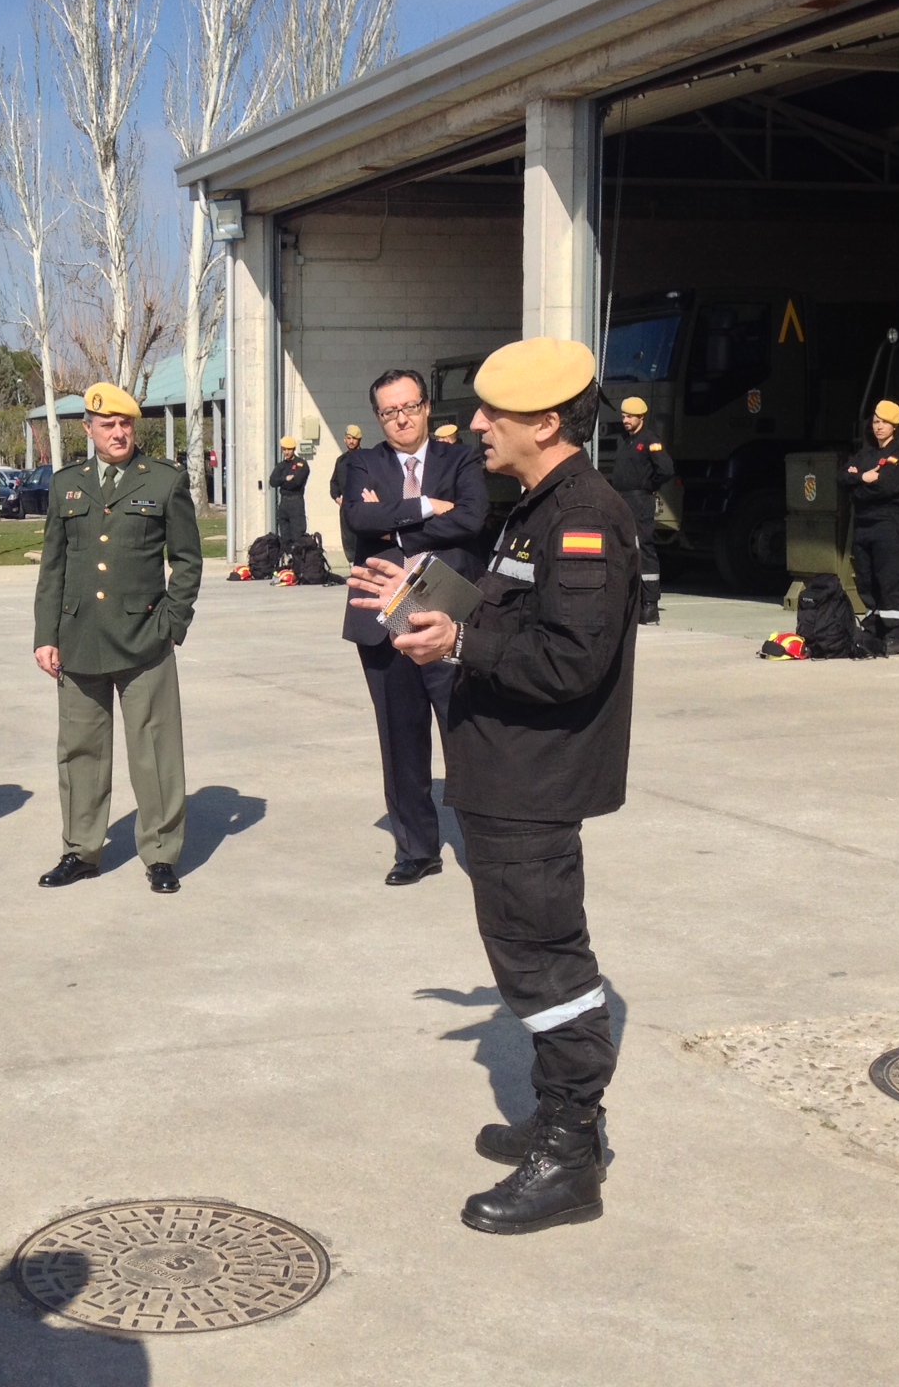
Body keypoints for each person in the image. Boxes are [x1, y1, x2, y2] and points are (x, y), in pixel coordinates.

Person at [352, 337, 638, 1236]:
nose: (473, 425)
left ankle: (571, 1155)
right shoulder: (535, 509)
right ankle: (564, 1122)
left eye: (492, 414)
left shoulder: (584, 516)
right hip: (503, 775)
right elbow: (509, 611)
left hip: (533, 782)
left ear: (545, 423)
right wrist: (421, 593)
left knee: (546, 964)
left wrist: (462, 645)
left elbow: (572, 660)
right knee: (526, 955)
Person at [33, 382, 203, 895]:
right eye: (107, 424)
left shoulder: (165, 481)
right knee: (81, 751)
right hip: (79, 637)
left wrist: (172, 623)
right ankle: (81, 850)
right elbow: (53, 566)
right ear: (88, 429)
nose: (118, 432)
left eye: (126, 423)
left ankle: (160, 853)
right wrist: (46, 635)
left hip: (144, 638)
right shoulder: (67, 485)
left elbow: (188, 562)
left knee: (155, 750)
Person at [339, 369, 489, 887]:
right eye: (389, 411)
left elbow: (472, 519)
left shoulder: (462, 457)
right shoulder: (361, 461)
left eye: (409, 407)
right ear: (378, 417)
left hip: (445, 610)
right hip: (383, 617)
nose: (401, 418)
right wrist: (426, 506)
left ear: (426, 407)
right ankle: (417, 849)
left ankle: (485, 847)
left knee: (463, 733)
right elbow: (358, 519)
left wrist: (393, 521)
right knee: (400, 740)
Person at [840, 399, 899, 655]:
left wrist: (858, 486)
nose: (878, 426)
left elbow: (888, 487)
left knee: (891, 581)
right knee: (866, 580)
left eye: (884, 422)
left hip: (891, 528)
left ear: (895, 425)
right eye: (875, 421)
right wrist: (863, 477)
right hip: (865, 527)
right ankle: (873, 629)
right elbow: (842, 477)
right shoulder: (865, 455)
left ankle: (897, 636)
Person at [609, 397, 674, 625]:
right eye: (624, 416)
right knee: (623, 549)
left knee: (644, 549)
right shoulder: (624, 441)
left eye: (629, 417)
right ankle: (630, 601)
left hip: (640, 501)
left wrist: (649, 486)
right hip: (622, 500)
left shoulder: (649, 441)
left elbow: (666, 469)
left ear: (641, 418)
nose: (625, 420)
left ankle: (650, 605)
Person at [327, 423, 365, 565]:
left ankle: (362, 564)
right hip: (346, 506)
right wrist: (337, 498)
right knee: (348, 537)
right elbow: (334, 482)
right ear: (344, 439)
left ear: (359, 440)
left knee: (361, 536)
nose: (351, 441)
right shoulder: (341, 461)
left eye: (354, 439)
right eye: (348, 438)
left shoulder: (365, 458)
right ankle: (352, 564)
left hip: (361, 506)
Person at [272, 436, 309, 557]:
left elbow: (296, 483)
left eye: (289, 449)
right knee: (285, 535)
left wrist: (283, 482)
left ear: (293, 449)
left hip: (296, 501)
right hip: (284, 503)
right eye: (284, 449)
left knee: (297, 535)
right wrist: (285, 479)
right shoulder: (281, 465)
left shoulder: (301, 464)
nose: (286, 452)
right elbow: (272, 481)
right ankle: (288, 559)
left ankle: (298, 561)